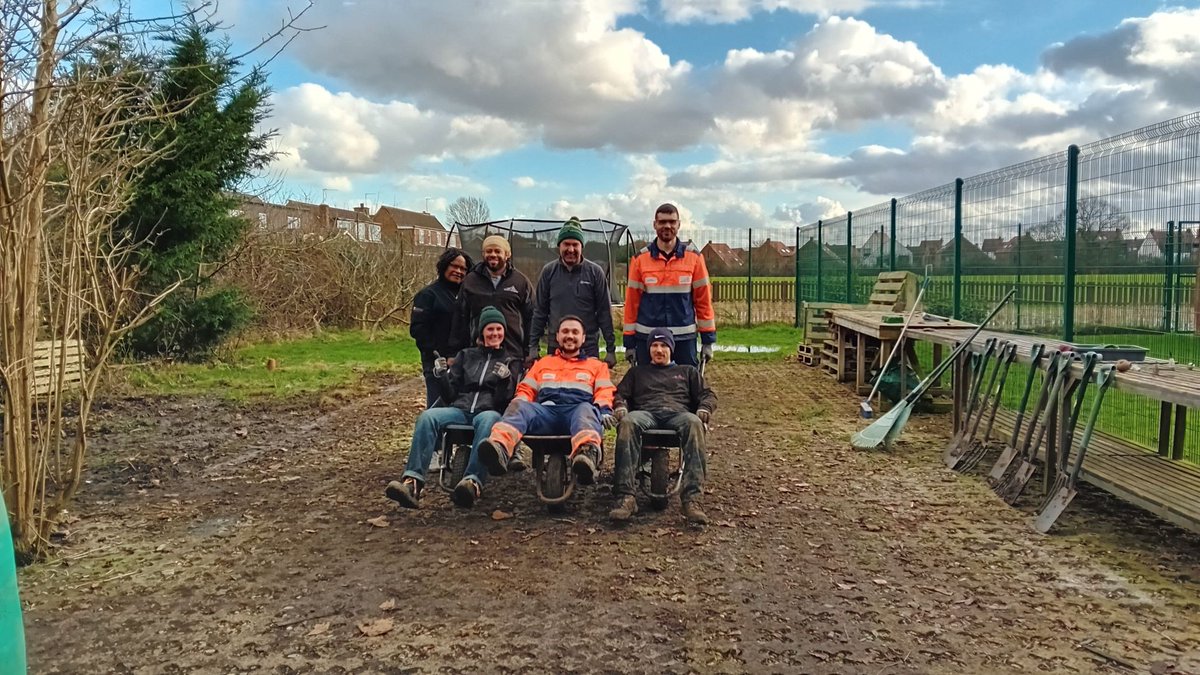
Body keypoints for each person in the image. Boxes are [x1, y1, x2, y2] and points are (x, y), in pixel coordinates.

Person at [386, 306, 518, 509]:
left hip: (488, 411)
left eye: (499, 329)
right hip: (460, 409)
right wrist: (442, 376)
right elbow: (450, 394)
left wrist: (504, 380)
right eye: (490, 329)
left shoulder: (509, 360)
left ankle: (472, 482)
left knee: (489, 419)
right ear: (481, 332)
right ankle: (412, 482)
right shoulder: (466, 355)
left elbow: (505, 401)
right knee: (428, 417)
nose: (495, 333)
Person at [475, 315, 614, 485]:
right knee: (519, 405)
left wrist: (605, 409)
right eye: (565, 331)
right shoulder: (543, 363)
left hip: (577, 415)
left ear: (583, 338)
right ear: (557, 337)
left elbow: (604, 390)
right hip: (546, 414)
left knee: (586, 408)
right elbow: (526, 389)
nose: (569, 335)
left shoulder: (596, 366)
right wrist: (520, 404)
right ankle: (500, 448)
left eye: (575, 332)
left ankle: (586, 457)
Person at [609, 327, 716, 525]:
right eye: (655, 345)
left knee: (694, 423)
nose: (659, 350)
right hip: (646, 414)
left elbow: (707, 395)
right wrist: (620, 406)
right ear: (649, 349)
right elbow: (620, 394)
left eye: (664, 345)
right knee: (627, 423)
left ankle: (692, 499)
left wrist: (704, 408)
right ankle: (625, 497)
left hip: (678, 414)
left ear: (671, 349)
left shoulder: (687, 372)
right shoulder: (637, 373)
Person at [623, 203, 716, 367]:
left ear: (679, 224)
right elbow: (632, 304)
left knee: (685, 388)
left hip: (684, 339)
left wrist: (708, 340)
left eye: (672, 222)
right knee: (648, 389)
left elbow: (703, 302)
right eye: (662, 222)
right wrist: (629, 342)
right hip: (648, 339)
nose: (667, 226)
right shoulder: (639, 260)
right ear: (655, 225)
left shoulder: (694, 258)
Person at [527, 217, 617, 369]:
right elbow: (540, 311)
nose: (570, 249)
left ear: (582, 246)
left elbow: (604, 313)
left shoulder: (595, 272)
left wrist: (611, 349)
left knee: (585, 388)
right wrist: (533, 346)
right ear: (558, 246)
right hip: (557, 345)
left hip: (587, 346)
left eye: (575, 244)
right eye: (566, 244)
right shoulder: (548, 272)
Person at [449, 234, 534, 364]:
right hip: (477, 355)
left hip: (513, 354)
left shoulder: (521, 282)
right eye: (489, 251)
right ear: (483, 254)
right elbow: (460, 318)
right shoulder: (470, 281)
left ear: (507, 254)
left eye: (497, 251)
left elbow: (531, 318)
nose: (493, 254)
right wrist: (455, 353)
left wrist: (531, 352)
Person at [410, 247, 472, 408]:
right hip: (437, 365)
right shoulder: (428, 295)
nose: (458, 271)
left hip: (463, 363)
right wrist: (440, 356)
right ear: (444, 266)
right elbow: (418, 330)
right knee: (437, 407)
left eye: (463, 269)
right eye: (455, 266)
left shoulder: (467, 296)